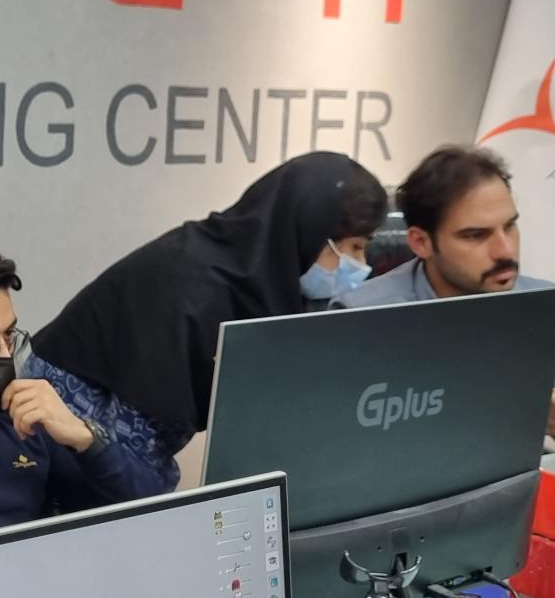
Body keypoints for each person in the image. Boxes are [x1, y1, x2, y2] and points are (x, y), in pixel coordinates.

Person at [29, 152, 390, 487]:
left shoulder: (259, 282)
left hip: (106, 454)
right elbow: (131, 462)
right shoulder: (191, 288)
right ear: (307, 232)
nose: (361, 265)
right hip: (52, 450)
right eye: (355, 247)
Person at [333, 144, 555, 460]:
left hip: (506, 481)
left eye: (509, 226)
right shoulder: (360, 316)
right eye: (475, 235)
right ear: (421, 242)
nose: (505, 251)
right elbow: (336, 449)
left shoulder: (538, 307)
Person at [0, 239, 172, 543]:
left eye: (7, 335)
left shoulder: (20, 416)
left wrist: (84, 439)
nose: (3, 355)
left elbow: (151, 513)